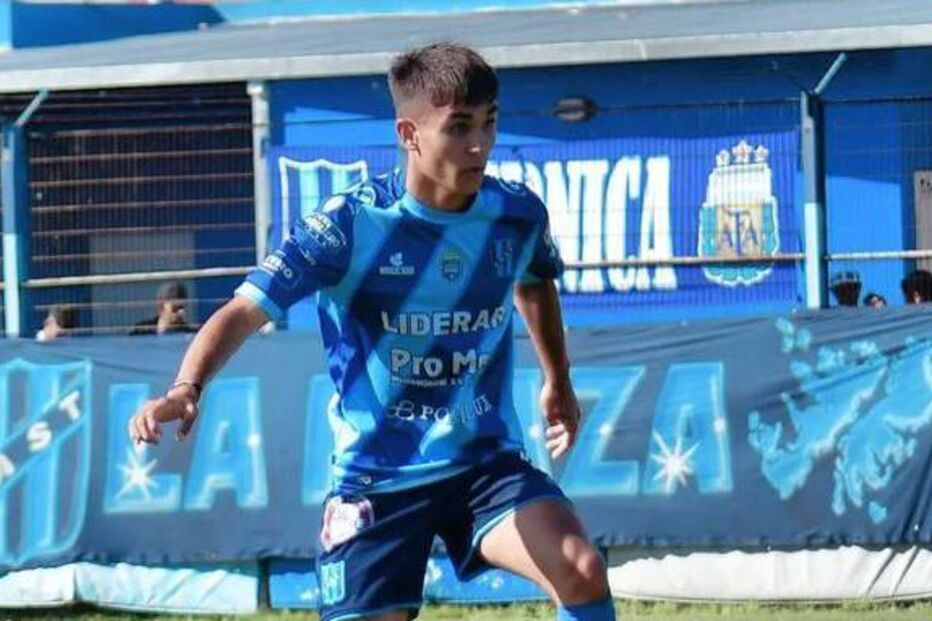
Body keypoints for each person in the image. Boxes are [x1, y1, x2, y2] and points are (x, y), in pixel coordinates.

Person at [128, 43, 613, 621]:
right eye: (458, 127)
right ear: (409, 133)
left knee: (580, 568)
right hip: (377, 480)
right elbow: (243, 310)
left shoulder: (516, 214)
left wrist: (557, 378)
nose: (479, 145)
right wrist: (187, 389)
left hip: (485, 464)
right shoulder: (347, 226)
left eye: (489, 123)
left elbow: (535, 282)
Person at [130, 281, 197, 335]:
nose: (181, 312)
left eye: (183, 307)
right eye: (175, 308)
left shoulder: (190, 335)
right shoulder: (141, 331)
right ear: (161, 308)